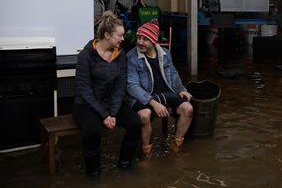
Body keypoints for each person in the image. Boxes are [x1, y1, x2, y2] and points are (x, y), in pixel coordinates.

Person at [73, 11, 141, 178]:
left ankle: (125, 165)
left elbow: (120, 86)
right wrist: (104, 115)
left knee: (134, 122)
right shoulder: (86, 55)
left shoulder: (120, 55)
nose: (123, 39)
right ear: (107, 35)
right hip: (86, 105)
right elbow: (84, 89)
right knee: (92, 131)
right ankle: (93, 173)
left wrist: (113, 113)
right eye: (120, 35)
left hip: (111, 103)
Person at [127, 22, 193, 159]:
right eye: (138, 38)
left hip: (165, 93)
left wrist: (181, 89)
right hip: (144, 96)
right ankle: (146, 153)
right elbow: (132, 86)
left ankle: (176, 145)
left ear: (153, 40)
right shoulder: (131, 57)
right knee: (144, 115)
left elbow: (173, 74)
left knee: (188, 108)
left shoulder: (165, 53)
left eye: (145, 39)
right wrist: (153, 103)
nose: (140, 42)